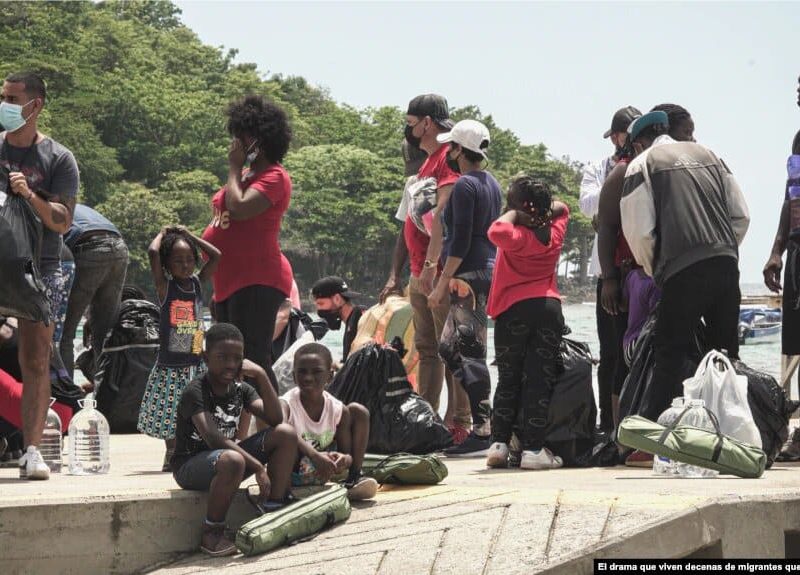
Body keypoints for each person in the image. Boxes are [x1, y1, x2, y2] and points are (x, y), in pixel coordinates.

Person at [620, 110, 749, 426]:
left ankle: (653, 438)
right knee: (726, 354)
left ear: (638, 144)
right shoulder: (710, 154)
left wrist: (656, 270)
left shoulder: (643, 163)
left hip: (681, 270)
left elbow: (639, 232)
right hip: (726, 263)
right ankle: (735, 430)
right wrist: (722, 250)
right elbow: (741, 215)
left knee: (669, 353)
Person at [0, 72, 79, 480]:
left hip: (39, 268)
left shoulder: (58, 158)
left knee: (35, 357)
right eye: (3, 96)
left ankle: (32, 450)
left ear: (35, 105)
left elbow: (63, 221)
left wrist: (30, 194)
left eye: (13, 97)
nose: (5, 103)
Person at [379, 94, 471, 439]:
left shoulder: (447, 158)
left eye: (410, 122)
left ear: (427, 123)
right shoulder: (426, 164)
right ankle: (426, 419)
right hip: (421, 272)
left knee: (453, 349)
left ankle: (461, 421)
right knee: (428, 351)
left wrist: (434, 268)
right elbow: (409, 227)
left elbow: (443, 219)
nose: (409, 129)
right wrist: (404, 273)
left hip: (438, 271)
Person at [171, 323, 298, 557]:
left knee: (285, 434)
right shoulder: (195, 390)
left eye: (237, 358)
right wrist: (258, 466)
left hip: (225, 460)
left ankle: (274, 507)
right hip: (191, 466)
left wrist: (260, 374)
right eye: (222, 357)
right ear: (206, 357)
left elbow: (275, 417)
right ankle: (212, 532)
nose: (231, 364)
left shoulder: (242, 389)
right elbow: (213, 438)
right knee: (233, 459)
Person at [202, 95, 295, 392]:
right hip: (228, 282)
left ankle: (271, 428)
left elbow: (240, 207)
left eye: (242, 139)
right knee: (226, 360)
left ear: (259, 140)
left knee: (252, 358)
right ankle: (237, 425)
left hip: (257, 279)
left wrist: (232, 167)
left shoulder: (274, 176)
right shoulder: (246, 174)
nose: (236, 145)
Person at [427, 120, 501, 456]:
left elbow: (458, 241)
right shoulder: (491, 184)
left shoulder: (463, 186)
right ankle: (483, 412)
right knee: (447, 348)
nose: (447, 152)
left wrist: (441, 284)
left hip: (466, 275)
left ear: (459, 150)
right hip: (483, 270)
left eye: (450, 147)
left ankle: (482, 430)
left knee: (471, 352)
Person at [485, 175, 569, 470]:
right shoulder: (555, 231)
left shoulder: (516, 236)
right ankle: (533, 449)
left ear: (518, 209)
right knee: (538, 379)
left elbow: (496, 230)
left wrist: (514, 214)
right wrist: (541, 213)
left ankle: (498, 444)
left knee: (508, 377)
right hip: (547, 307)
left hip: (512, 311)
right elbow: (564, 207)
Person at [137, 226, 220, 471]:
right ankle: (172, 453)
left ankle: (193, 450)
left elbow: (216, 256)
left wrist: (189, 236)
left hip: (196, 360)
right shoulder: (166, 287)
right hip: (171, 364)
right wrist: (164, 233)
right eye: (178, 261)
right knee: (170, 411)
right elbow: (153, 252)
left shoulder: (196, 283)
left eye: (189, 260)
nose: (185, 265)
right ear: (167, 265)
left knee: (200, 409)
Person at [580, 106, 640, 432]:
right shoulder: (601, 167)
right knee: (611, 351)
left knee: (640, 349)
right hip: (608, 272)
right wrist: (618, 181)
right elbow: (587, 203)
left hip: (641, 270)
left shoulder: (647, 162)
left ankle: (635, 422)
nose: (619, 140)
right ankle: (607, 424)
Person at [280, 342, 378, 500]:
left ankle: (354, 479)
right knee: (285, 435)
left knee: (359, 412)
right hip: (292, 471)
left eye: (316, 372)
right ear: (293, 376)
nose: (308, 378)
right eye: (302, 372)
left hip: (323, 469)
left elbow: (346, 454)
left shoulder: (337, 410)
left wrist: (344, 460)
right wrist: (315, 456)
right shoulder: (286, 404)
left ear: (330, 376)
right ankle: (286, 493)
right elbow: (282, 433)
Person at [60, 204, 129, 379]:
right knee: (104, 335)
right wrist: (92, 315)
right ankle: (106, 395)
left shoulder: (38, 210)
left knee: (63, 335)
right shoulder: (74, 204)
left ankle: (65, 398)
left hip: (88, 246)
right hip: (119, 248)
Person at [311, 277, 365, 362]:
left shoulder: (359, 319)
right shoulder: (352, 320)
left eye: (321, 303)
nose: (318, 309)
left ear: (337, 299)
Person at [621, 268, 661, 367]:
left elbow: (623, 307)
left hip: (628, 345)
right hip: (641, 345)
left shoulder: (633, 275)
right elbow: (657, 320)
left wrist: (623, 278)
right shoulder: (655, 284)